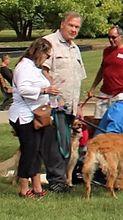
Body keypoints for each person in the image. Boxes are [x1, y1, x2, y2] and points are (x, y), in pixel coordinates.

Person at [40, 12, 85, 192]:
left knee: (66, 143)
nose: (73, 29)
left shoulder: (75, 48)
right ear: (62, 24)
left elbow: (78, 79)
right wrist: (52, 90)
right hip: (54, 103)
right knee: (56, 143)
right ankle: (56, 181)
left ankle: (64, 179)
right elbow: (42, 70)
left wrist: (79, 105)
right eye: (71, 25)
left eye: (77, 27)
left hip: (71, 105)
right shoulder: (49, 42)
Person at [9, 39, 58, 198]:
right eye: (47, 54)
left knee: (37, 152)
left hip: (36, 115)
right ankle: (24, 188)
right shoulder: (24, 67)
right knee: (29, 152)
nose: (47, 58)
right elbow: (23, 89)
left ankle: (36, 186)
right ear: (39, 52)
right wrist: (45, 90)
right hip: (24, 116)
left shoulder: (34, 68)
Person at [85, 26, 123, 118]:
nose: (111, 40)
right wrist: (93, 88)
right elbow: (102, 70)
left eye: (113, 37)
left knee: (115, 120)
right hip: (104, 92)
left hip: (120, 94)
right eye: (109, 37)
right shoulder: (106, 51)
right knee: (99, 119)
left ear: (120, 37)